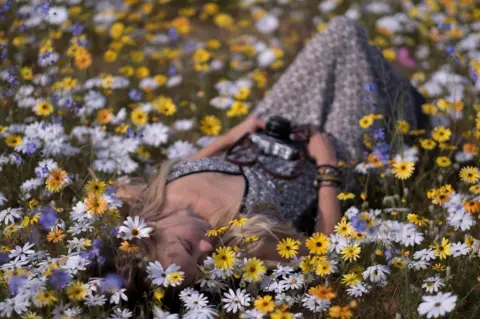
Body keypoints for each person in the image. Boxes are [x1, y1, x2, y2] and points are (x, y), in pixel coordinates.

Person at [111, 16, 425, 296]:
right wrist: (328, 167)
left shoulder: (152, 197)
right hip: (333, 153)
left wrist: (230, 136)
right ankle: (414, 113)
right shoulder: (241, 242)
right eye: (201, 264)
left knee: (339, 35)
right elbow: (323, 252)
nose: (207, 248)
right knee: (350, 38)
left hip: (267, 129)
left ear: (149, 228)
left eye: (188, 247)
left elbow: (93, 194)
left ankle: (405, 102)